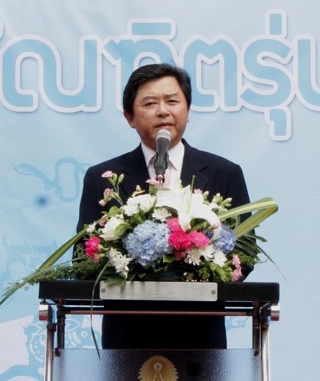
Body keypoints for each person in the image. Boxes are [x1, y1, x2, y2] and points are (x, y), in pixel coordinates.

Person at [76, 63, 250, 349]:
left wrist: (194, 265)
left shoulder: (225, 173)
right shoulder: (103, 178)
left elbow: (245, 254)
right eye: (149, 103)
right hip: (127, 337)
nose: (162, 111)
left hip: (200, 335)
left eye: (172, 101)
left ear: (188, 110)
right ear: (129, 117)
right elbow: (83, 256)